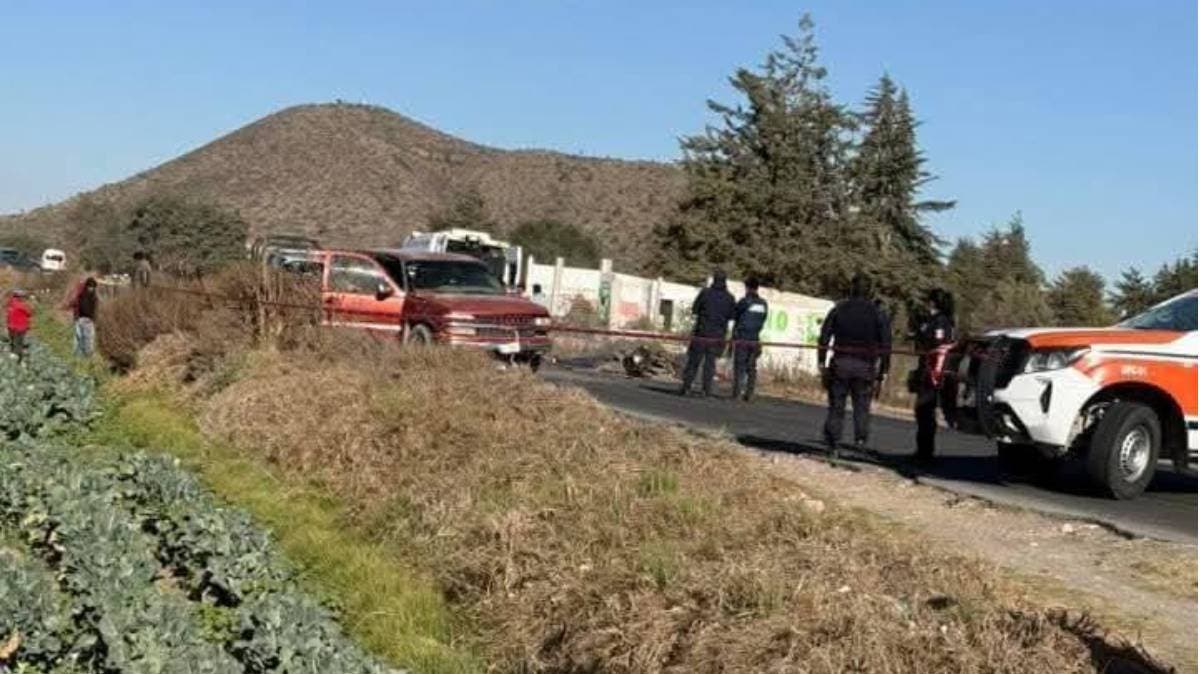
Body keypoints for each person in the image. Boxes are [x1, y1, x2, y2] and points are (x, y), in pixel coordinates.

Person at [817, 274, 891, 457]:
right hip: (865, 366)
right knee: (862, 406)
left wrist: (821, 361)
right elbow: (886, 345)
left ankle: (833, 442)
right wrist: (884, 370)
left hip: (841, 363)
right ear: (870, 292)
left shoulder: (839, 309)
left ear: (851, 289)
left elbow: (824, 337)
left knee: (836, 406)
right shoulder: (878, 314)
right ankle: (860, 440)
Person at [911, 288, 958, 462]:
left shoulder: (940, 322)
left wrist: (921, 333)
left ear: (933, 302)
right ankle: (923, 449)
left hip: (933, 370)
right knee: (923, 411)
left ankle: (925, 452)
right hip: (930, 368)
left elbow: (936, 343)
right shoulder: (941, 321)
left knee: (924, 410)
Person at [679, 270, 735, 397]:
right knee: (710, 364)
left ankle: (686, 386)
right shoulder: (729, 298)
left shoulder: (705, 293)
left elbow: (695, 309)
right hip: (717, 336)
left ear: (714, 280)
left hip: (701, 332)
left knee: (694, 362)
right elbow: (732, 316)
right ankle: (706, 390)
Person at [730, 276, 769, 401]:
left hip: (742, 337)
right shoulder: (763, 304)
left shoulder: (744, 302)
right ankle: (749, 393)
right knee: (751, 367)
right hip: (755, 338)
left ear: (746, 287)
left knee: (739, 366)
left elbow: (735, 316)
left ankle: (736, 393)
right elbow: (763, 320)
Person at [66, 277, 99, 357]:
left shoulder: (91, 297)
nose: (91, 288)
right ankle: (82, 356)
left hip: (84, 320)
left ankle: (83, 356)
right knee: (82, 338)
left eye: (93, 287)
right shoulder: (84, 295)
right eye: (90, 286)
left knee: (84, 339)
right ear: (87, 286)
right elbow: (79, 306)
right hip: (82, 319)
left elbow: (95, 309)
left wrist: (93, 318)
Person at [6, 289, 31, 363]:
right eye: (22, 296)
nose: (23, 298)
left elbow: (8, 316)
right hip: (20, 328)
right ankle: (18, 360)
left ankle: (12, 356)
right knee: (19, 343)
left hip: (11, 327)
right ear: (19, 297)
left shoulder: (10, 304)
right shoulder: (21, 305)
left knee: (13, 342)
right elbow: (29, 313)